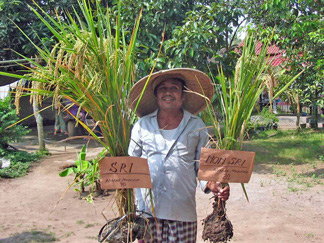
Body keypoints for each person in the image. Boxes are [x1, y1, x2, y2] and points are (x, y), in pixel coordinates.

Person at [128, 68, 230, 243]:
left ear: (183, 97)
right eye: (162, 88)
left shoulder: (196, 126)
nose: (168, 92)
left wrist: (214, 185)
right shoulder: (142, 125)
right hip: (148, 213)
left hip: (183, 210)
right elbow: (131, 166)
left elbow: (203, 167)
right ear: (156, 96)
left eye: (174, 88)